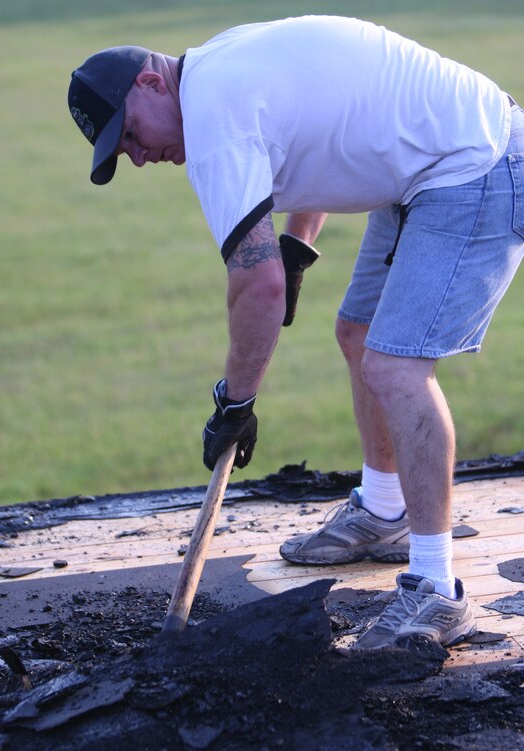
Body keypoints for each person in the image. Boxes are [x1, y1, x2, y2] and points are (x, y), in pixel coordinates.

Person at [68, 15, 524, 650]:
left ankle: (435, 590)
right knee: (358, 332)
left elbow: (257, 286)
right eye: (123, 152)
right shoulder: (215, 68)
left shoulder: (213, 122)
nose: (139, 155)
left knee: (396, 367)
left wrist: (236, 402)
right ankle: (385, 512)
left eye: (130, 134)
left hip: (476, 162)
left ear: (150, 82)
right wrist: (297, 243)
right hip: (427, 159)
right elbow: (322, 130)